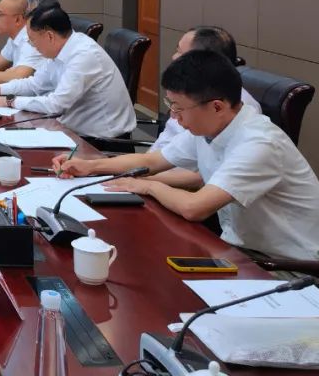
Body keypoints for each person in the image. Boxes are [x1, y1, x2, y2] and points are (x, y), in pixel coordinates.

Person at [53, 50, 319, 261]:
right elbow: (151, 161)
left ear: (217, 106)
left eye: (179, 108)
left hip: (288, 267)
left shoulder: (259, 143)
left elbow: (195, 207)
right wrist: (89, 167)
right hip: (238, 248)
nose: (174, 117)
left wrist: (147, 186)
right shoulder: (210, 126)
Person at [0, 3, 136, 138]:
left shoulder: (84, 56)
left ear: (49, 36)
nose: (32, 45)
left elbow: (56, 104)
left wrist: (9, 101)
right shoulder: (58, 50)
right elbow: (35, 84)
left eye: (32, 40)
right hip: (69, 130)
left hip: (99, 143)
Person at [150, 26, 259, 152]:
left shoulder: (236, 112)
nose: (174, 57)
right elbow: (164, 154)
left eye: (180, 53)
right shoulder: (189, 94)